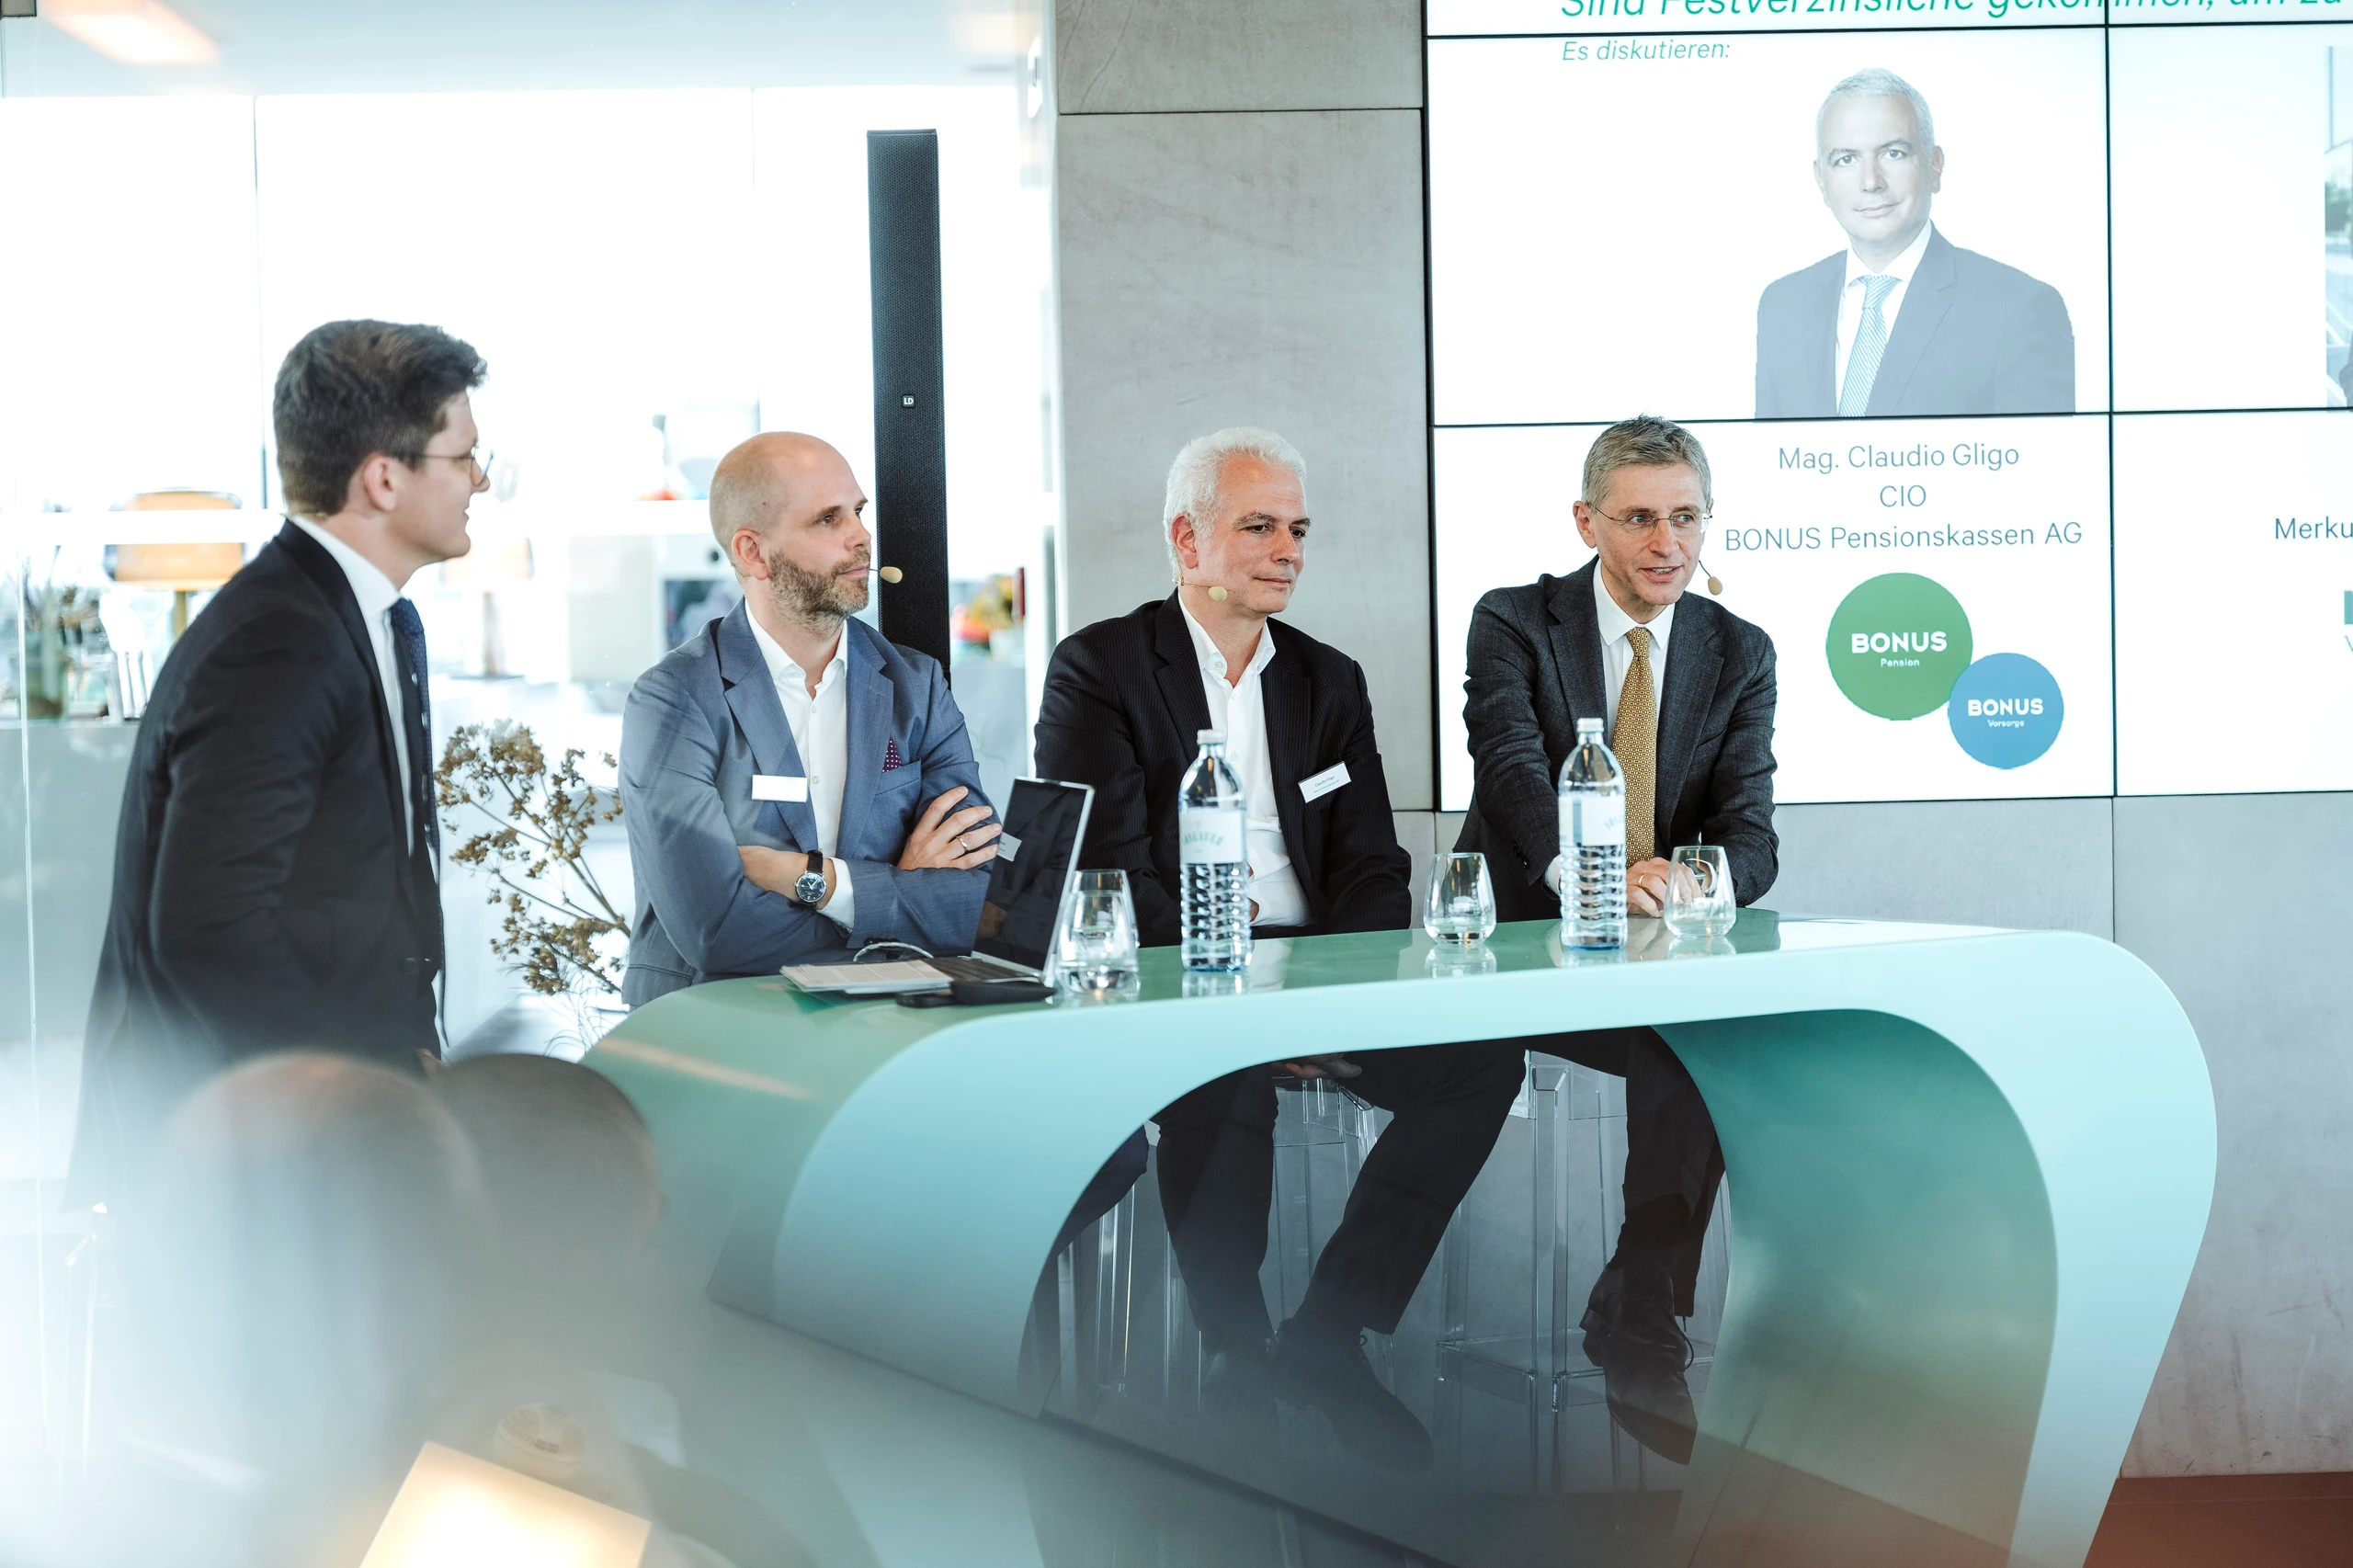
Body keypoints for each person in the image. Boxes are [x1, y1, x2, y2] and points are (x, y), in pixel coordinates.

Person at [1035, 427, 1522, 1470]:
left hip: (1317, 977)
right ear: (1187, 538)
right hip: (1183, 978)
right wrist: (1250, 1001)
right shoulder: (1100, 669)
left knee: (1482, 1063)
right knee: (1224, 1068)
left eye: (1297, 528)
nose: (1287, 548)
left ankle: (1327, 1333)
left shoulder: (1326, 679)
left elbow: (1372, 865)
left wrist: (1325, 994)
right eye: (1258, 525)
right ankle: (1235, 1346)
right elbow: (1112, 867)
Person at [68, 320, 489, 1210]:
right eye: (463, 458)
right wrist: (368, 1081)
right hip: (238, 1158)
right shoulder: (280, 640)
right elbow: (209, 930)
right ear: (383, 477)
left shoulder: (358, 616)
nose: (479, 481)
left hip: (306, 1133)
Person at [1454, 415, 1777, 1460]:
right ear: (1587, 519)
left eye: (1685, 516)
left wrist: (1696, 875)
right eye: (1639, 517)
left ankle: (1639, 1308)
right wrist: (1588, 872)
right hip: (1521, 946)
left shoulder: (1739, 650)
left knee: (1712, 1041)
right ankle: (1638, 1316)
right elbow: (1509, 772)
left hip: (1649, 962)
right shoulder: (1514, 621)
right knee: (1689, 1041)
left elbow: (1751, 830)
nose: (1665, 543)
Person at [619, 433, 1000, 1006]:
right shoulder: (674, 701)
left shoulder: (915, 686)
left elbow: (981, 905)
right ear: (753, 552)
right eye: (828, 519)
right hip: (716, 1030)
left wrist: (815, 881)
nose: (862, 537)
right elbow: (717, 935)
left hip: (887, 1025)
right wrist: (899, 885)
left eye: (858, 512)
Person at [1754, 68, 2074, 419]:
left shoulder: (2018, 308)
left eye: (1893, 153)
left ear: (1934, 167)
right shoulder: (1782, 306)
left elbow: (2044, 468)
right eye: (1846, 159)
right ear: (1821, 180)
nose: (1871, 182)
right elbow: (1773, 464)